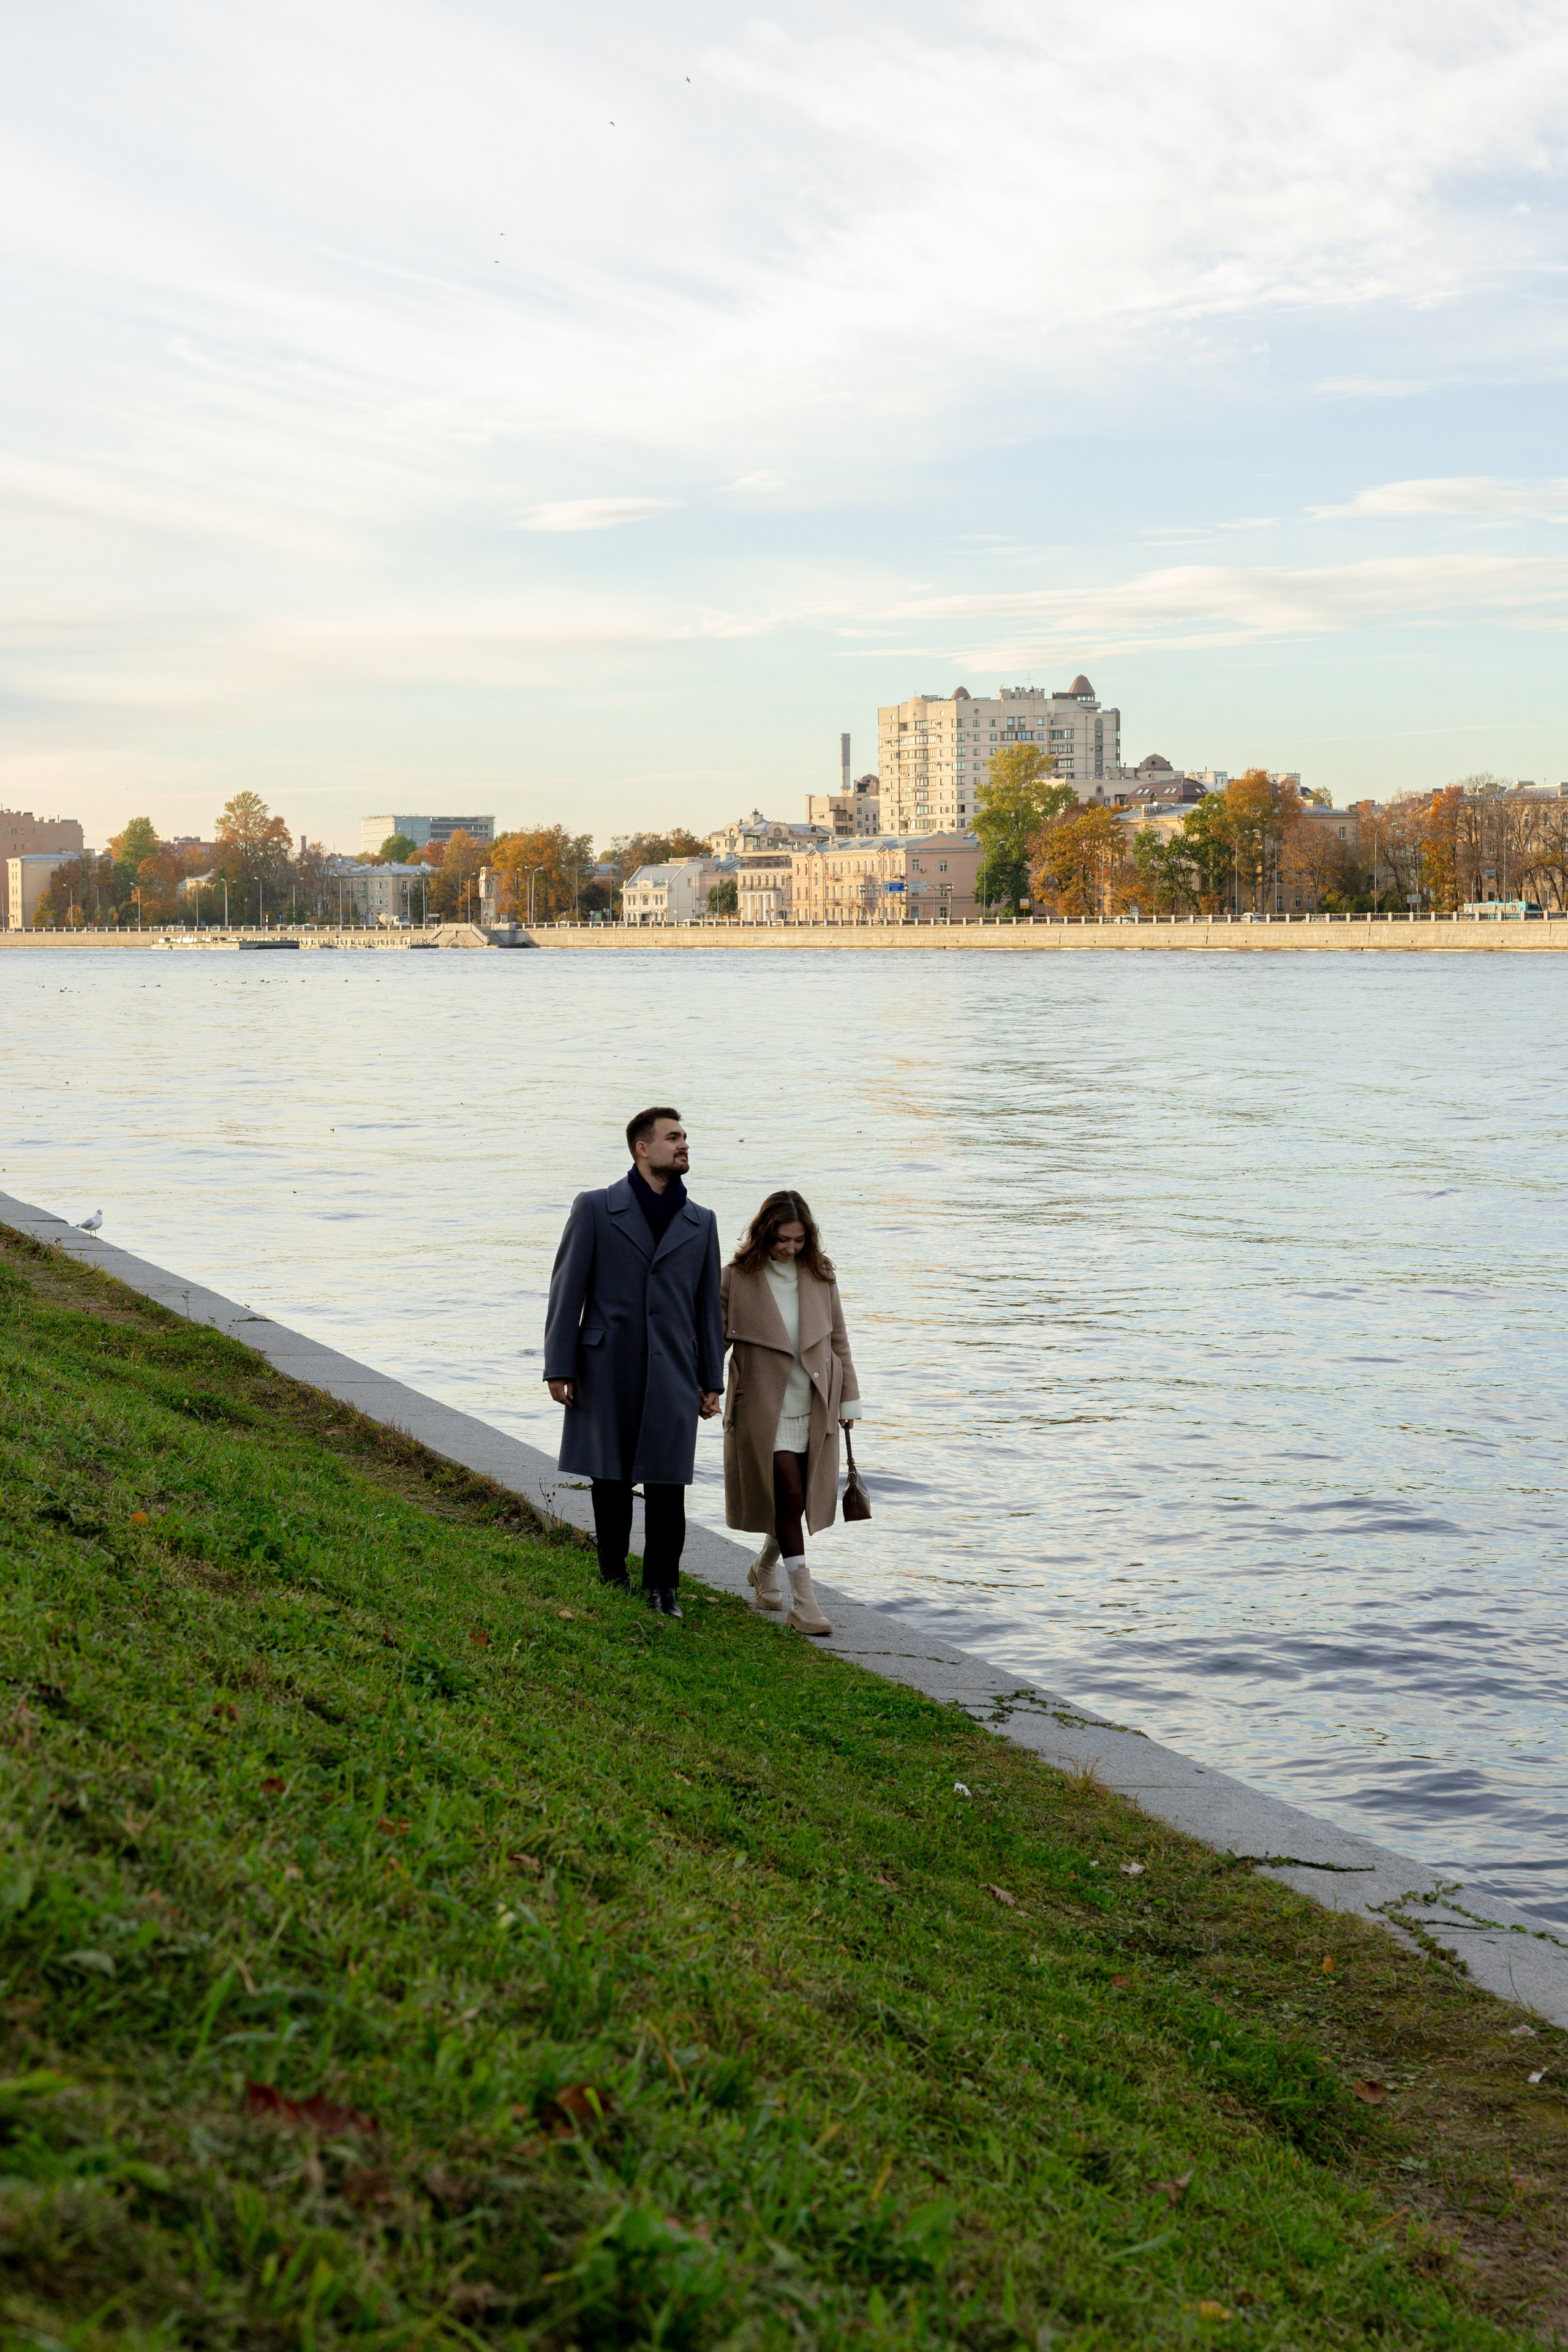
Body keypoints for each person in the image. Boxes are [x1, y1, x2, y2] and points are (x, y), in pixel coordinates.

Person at [543, 1107, 723, 1618]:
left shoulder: (701, 1221)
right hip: (606, 1363)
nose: (684, 1144)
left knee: (669, 1481)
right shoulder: (597, 1208)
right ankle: (612, 1573)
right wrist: (560, 1365)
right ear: (643, 1148)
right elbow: (566, 1289)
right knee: (611, 1478)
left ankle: (663, 1587)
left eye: (685, 1136)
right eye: (673, 1137)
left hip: (673, 1368)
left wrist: (712, 1379)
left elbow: (707, 1307)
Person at [720, 1189, 862, 1637]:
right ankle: (805, 1603)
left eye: (799, 1240)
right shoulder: (736, 1279)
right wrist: (700, 1389)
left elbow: (838, 1339)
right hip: (763, 1405)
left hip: (816, 1402)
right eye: (783, 1239)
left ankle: (764, 1568)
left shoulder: (820, 1275)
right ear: (765, 1232)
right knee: (790, 1496)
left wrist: (848, 1400)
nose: (790, 1249)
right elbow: (711, 1341)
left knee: (795, 1498)